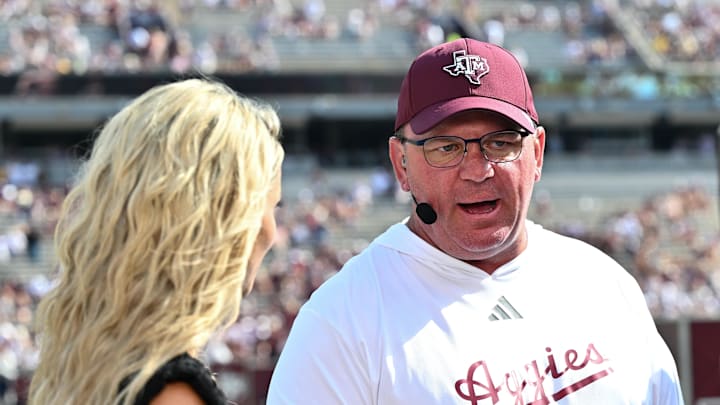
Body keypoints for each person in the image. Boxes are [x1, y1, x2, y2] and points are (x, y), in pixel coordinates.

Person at [267, 38, 684, 403]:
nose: (477, 169)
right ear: (401, 164)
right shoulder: (342, 322)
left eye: (500, 143)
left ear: (537, 153)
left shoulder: (604, 285)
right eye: (446, 148)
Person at [28, 78, 285, 405]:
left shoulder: (81, 364)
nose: (273, 231)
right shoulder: (172, 392)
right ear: (225, 216)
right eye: (272, 205)